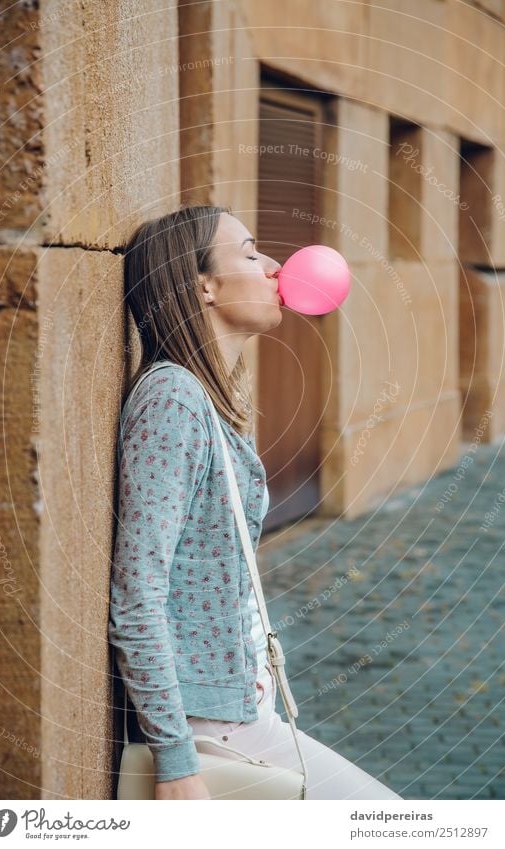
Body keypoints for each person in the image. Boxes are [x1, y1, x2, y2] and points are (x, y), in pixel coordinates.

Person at [108, 203, 402, 800]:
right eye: (248, 253)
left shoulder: (207, 398)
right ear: (204, 287)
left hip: (239, 710)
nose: (275, 266)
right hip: (210, 729)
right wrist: (175, 762)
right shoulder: (173, 401)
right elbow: (137, 592)